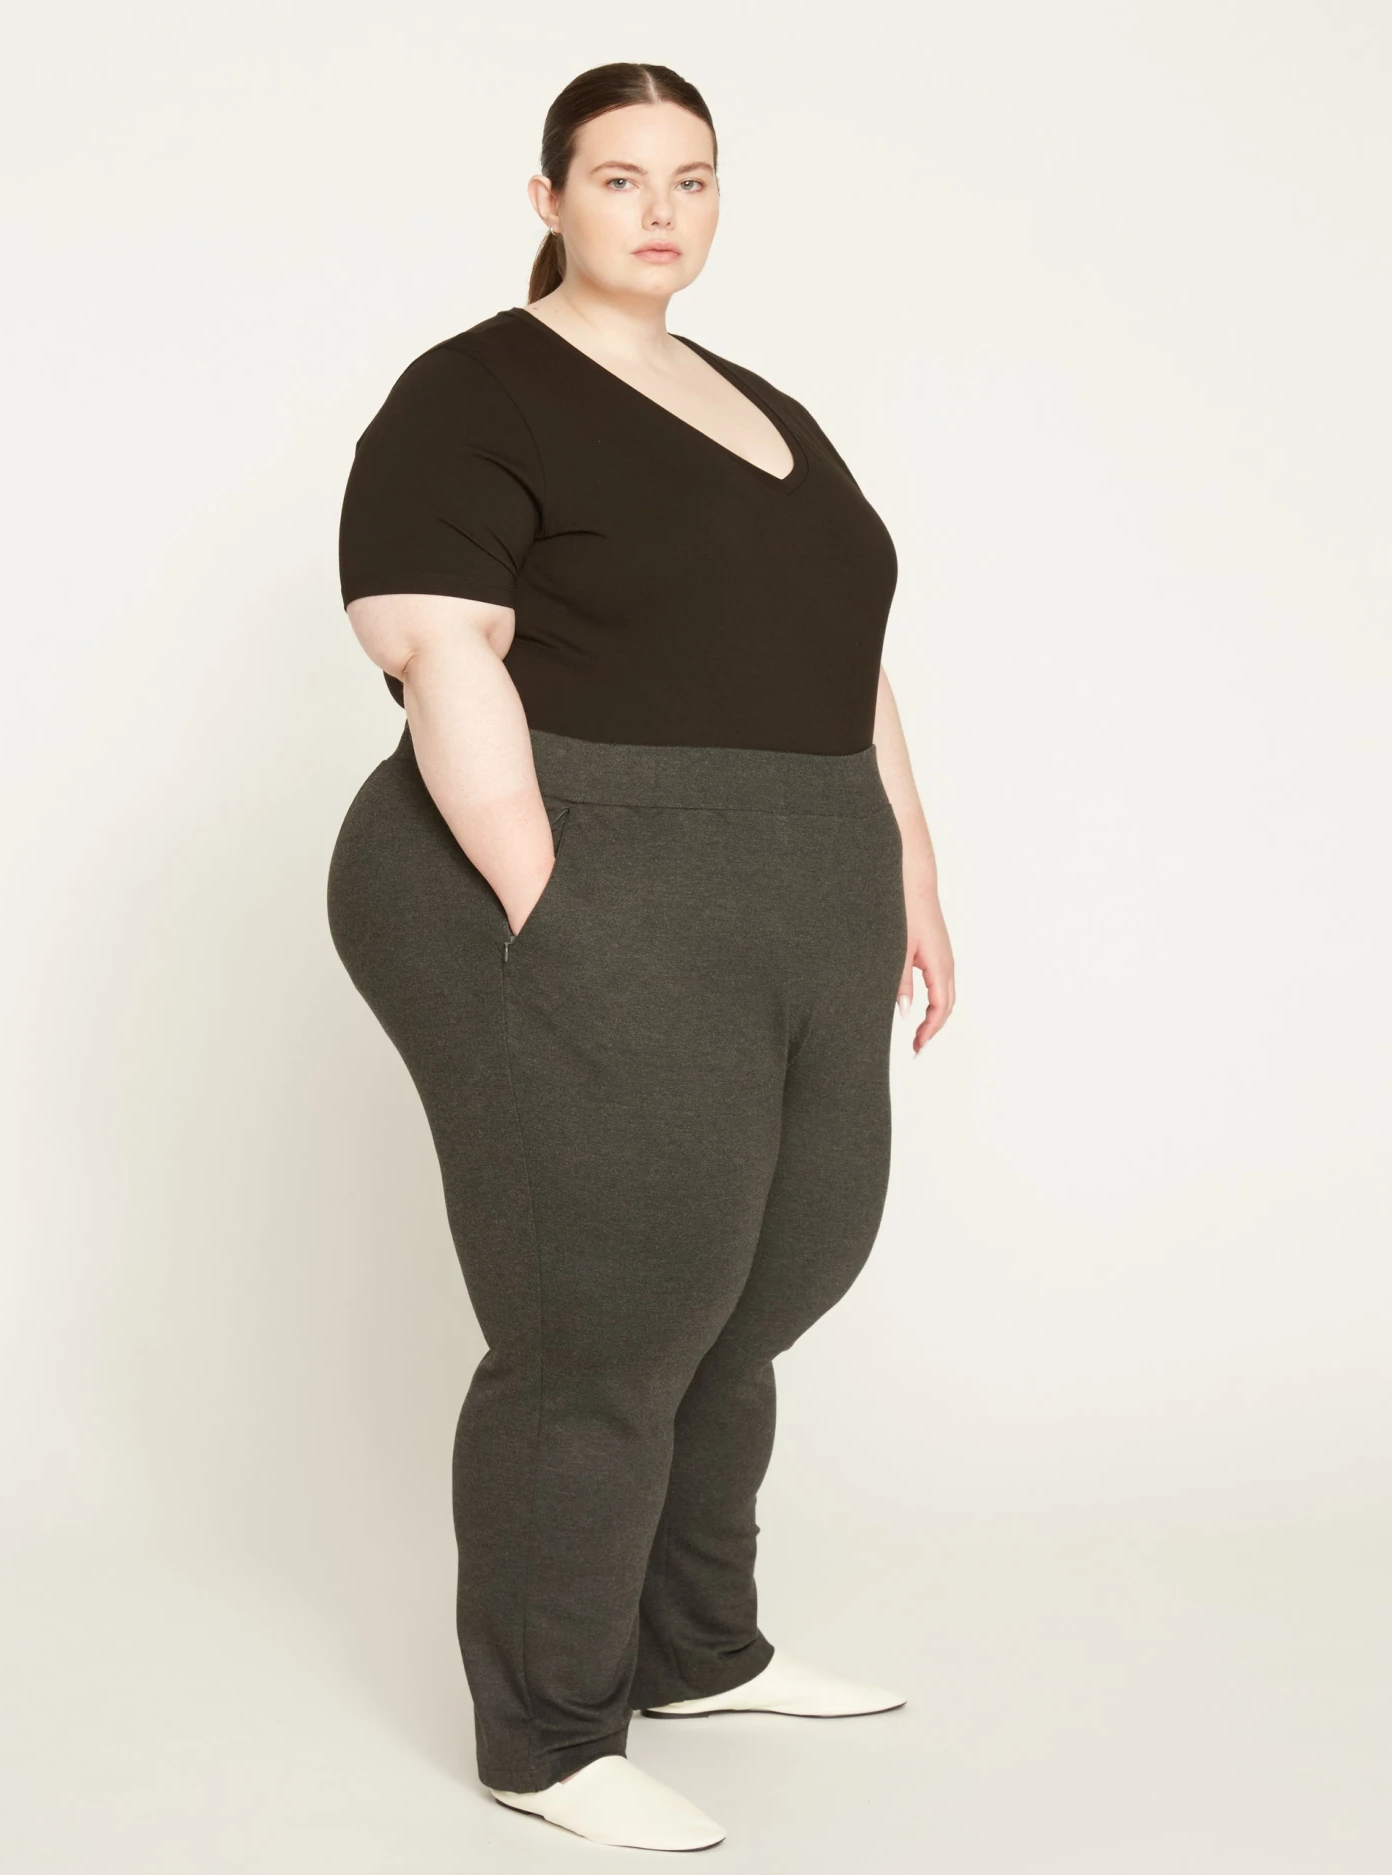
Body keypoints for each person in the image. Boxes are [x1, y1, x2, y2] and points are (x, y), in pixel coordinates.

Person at [326, 60, 955, 1853]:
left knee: (773, 1268)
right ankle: (544, 1732)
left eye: (692, 176)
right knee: (610, 1302)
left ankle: (697, 1645)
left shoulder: (765, 409)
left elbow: (846, 657)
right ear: (550, 201)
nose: (661, 209)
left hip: (798, 872)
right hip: (568, 851)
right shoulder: (476, 391)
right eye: (619, 177)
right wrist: (546, 896)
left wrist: (913, 872)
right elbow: (440, 646)